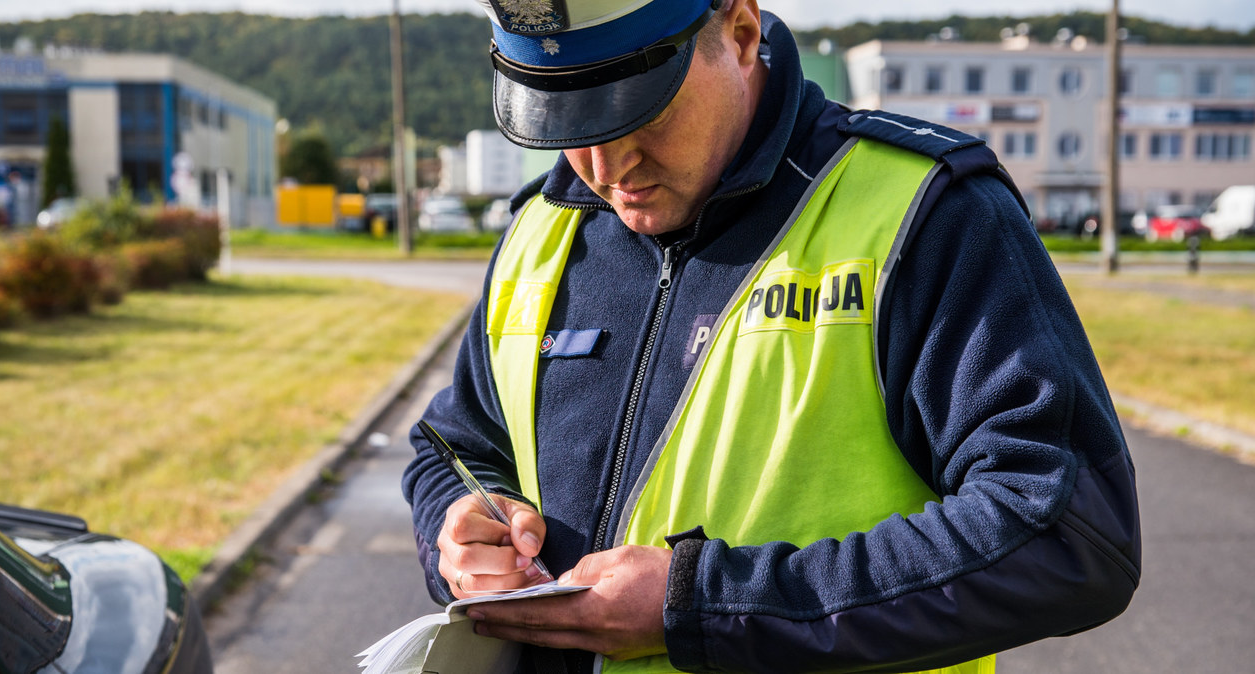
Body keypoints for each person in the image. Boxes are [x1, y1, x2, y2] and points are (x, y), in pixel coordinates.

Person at [402, 1, 1141, 672]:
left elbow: (1069, 529)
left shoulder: (928, 213)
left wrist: (706, 604)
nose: (607, 167)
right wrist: (460, 533)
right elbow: (456, 448)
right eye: (570, 128)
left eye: (639, 114)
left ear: (741, 31)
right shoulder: (542, 229)